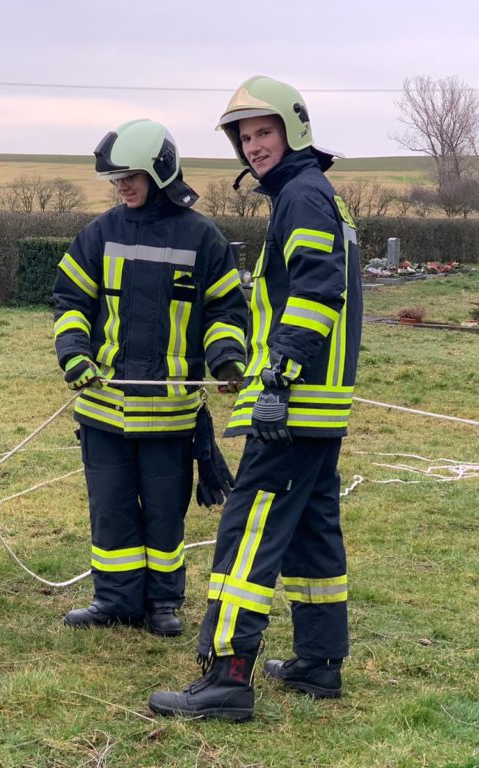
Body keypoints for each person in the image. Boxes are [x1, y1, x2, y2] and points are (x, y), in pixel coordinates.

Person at [149, 75, 363, 721]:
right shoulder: (316, 195)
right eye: (245, 136)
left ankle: (227, 674)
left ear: (293, 130)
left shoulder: (302, 196)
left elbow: (319, 289)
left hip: (291, 406)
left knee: (248, 532)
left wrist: (277, 376)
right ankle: (319, 664)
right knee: (313, 528)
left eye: (264, 131)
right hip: (320, 406)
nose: (254, 145)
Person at [52, 119, 249, 637]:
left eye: (130, 177)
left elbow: (226, 310)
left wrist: (227, 358)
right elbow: (70, 301)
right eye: (116, 179)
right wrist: (74, 354)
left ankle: (163, 602)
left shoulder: (203, 238)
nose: (121, 187)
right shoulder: (99, 234)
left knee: (165, 515)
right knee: (112, 510)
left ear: (160, 171)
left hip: (170, 412)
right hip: (103, 410)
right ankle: (115, 600)